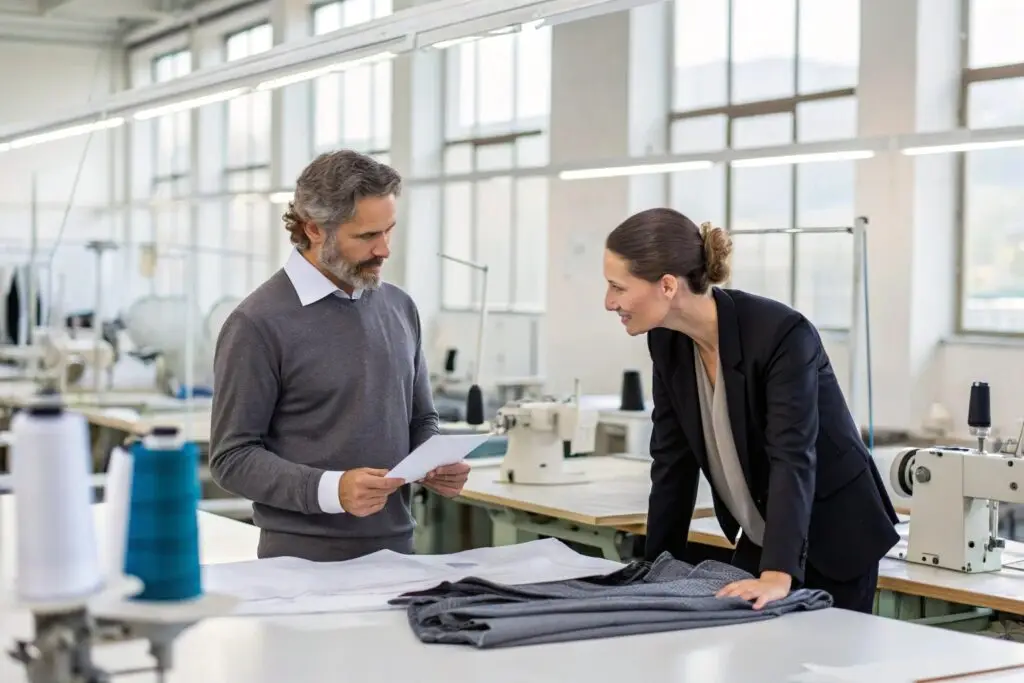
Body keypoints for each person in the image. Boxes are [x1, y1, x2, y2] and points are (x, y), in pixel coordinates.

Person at [602, 207, 899, 613]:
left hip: (835, 532)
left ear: (667, 286)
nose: (609, 302)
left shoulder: (780, 334)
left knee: (823, 669)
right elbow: (672, 462)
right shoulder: (667, 343)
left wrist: (778, 574)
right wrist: (656, 568)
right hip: (765, 533)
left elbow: (792, 455)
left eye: (617, 287)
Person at [210, 150, 470, 562]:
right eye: (367, 236)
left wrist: (434, 460)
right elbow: (232, 458)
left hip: (398, 553)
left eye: (389, 231)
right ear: (314, 229)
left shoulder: (400, 307)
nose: (384, 249)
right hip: (298, 566)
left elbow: (421, 418)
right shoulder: (256, 323)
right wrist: (332, 490)